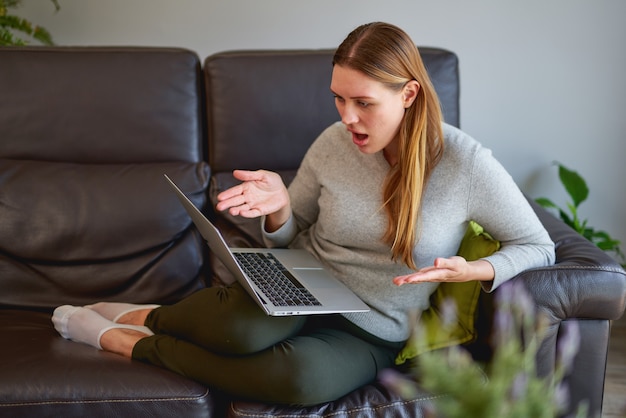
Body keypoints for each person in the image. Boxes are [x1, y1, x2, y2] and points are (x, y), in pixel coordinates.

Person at [51, 22, 555, 406]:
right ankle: (151, 317)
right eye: (338, 99)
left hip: (374, 325)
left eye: (363, 102)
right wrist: (280, 210)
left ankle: (129, 341)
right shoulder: (334, 143)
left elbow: (539, 246)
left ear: (408, 94)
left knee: (299, 381)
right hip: (300, 282)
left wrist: (477, 270)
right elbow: (292, 237)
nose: (346, 118)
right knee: (241, 332)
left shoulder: (466, 164)